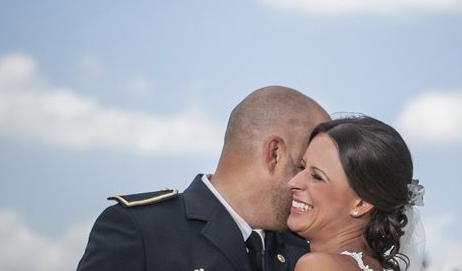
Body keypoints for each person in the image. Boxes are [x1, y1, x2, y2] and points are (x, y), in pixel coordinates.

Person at [76, 85, 329, 271]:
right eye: (304, 166)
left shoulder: (307, 253)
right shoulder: (143, 229)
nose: (310, 185)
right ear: (274, 154)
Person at [287, 116, 425, 271]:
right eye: (302, 166)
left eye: (317, 176)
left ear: (362, 203)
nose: (293, 183)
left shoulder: (319, 266)